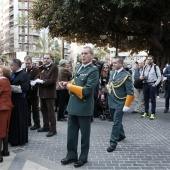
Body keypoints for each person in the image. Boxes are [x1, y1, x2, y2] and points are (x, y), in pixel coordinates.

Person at [59, 46, 99, 168]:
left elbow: (87, 90)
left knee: (84, 135)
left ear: (92, 56)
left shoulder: (93, 70)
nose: (83, 56)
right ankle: (71, 155)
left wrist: (70, 87)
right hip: (73, 105)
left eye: (86, 53)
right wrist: (67, 83)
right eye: (82, 53)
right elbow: (76, 83)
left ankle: (83, 157)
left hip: (84, 106)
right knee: (71, 134)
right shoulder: (78, 67)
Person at [107, 57, 134, 152]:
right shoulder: (112, 73)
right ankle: (121, 135)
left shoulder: (126, 76)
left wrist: (127, 105)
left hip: (120, 102)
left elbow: (130, 92)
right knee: (116, 120)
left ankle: (113, 143)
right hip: (111, 100)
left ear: (121, 64)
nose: (113, 65)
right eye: (112, 63)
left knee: (116, 123)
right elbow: (111, 84)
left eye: (115, 63)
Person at [31, 53, 58, 137]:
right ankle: (46, 126)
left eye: (47, 58)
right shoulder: (42, 67)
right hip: (42, 93)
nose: (46, 60)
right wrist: (34, 81)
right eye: (45, 58)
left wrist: (42, 81)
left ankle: (53, 129)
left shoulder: (54, 67)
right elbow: (38, 76)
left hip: (49, 93)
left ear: (51, 59)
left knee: (51, 112)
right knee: (43, 110)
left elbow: (53, 80)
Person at [9, 59, 30, 146]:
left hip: (20, 102)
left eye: (12, 65)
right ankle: (13, 138)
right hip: (13, 100)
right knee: (13, 121)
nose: (10, 67)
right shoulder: (13, 74)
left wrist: (9, 87)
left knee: (19, 120)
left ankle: (19, 139)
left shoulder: (24, 75)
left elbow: (24, 88)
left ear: (17, 66)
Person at [140, 55, 161, 120]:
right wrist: (141, 77)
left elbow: (160, 76)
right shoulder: (145, 67)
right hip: (145, 84)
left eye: (150, 59)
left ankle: (153, 113)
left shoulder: (155, 67)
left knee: (152, 100)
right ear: (146, 60)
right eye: (148, 59)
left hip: (152, 84)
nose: (149, 60)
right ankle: (146, 112)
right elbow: (142, 75)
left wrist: (155, 84)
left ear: (152, 60)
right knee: (145, 99)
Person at [0, 66, 13, 163]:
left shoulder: (1, 81)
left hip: (2, 108)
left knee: (1, 129)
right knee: (5, 128)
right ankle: (5, 150)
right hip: (6, 107)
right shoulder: (7, 81)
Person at [24, 56, 41, 130]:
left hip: (33, 93)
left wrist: (33, 86)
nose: (27, 65)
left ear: (31, 62)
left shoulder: (36, 70)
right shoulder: (23, 70)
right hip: (26, 93)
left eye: (29, 63)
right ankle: (28, 122)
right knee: (27, 109)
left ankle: (37, 124)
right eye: (26, 63)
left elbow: (37, 80)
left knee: (35, 109)